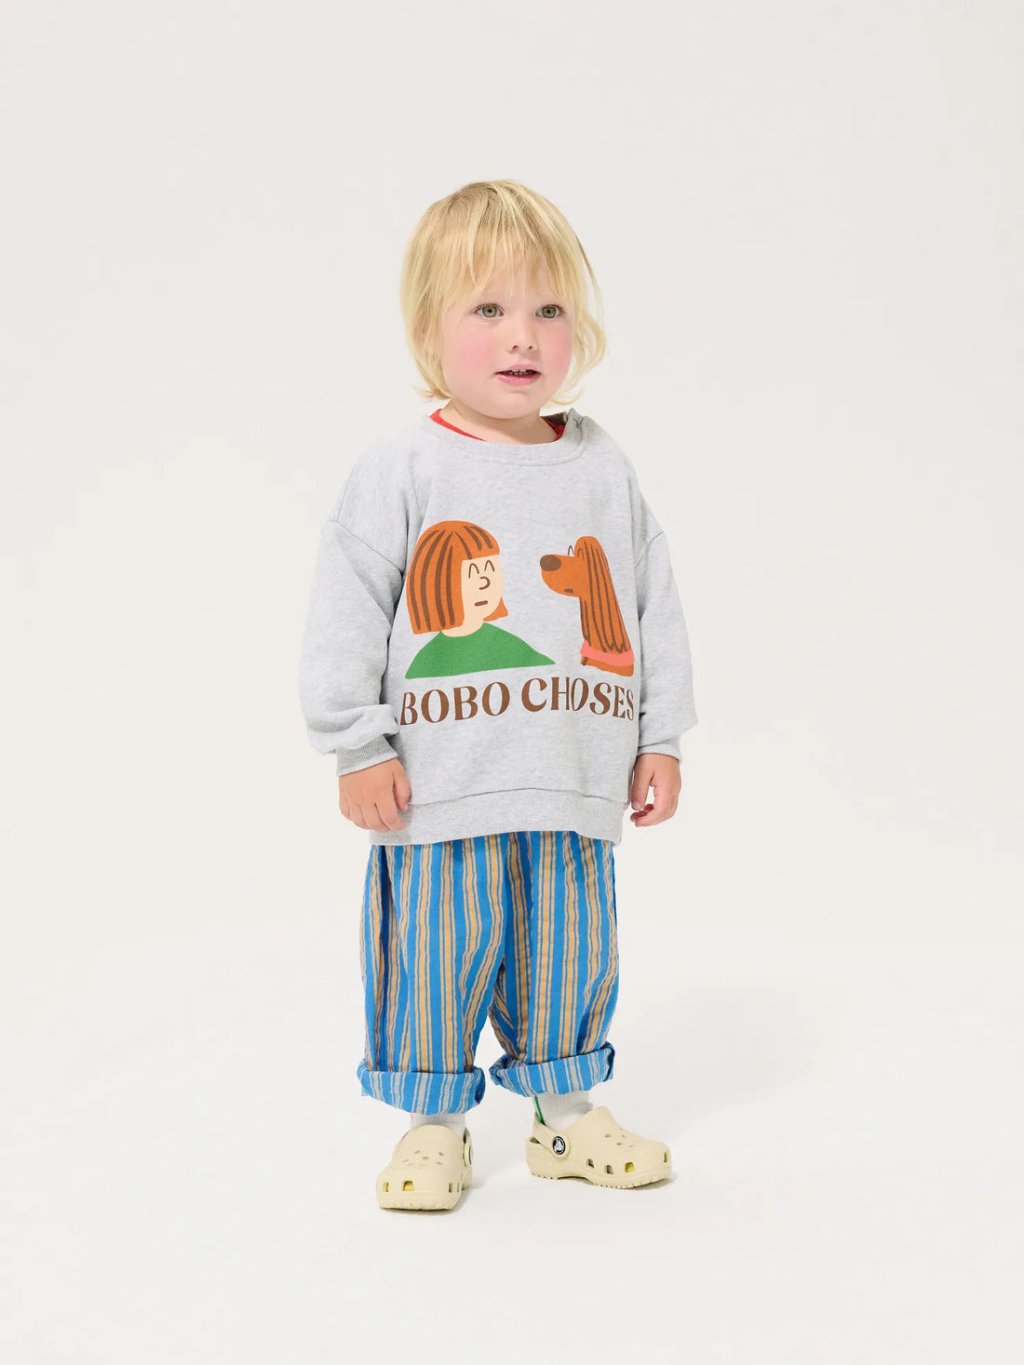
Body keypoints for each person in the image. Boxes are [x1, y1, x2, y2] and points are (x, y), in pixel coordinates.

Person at [298, 179, 697, 1211]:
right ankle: (433, 1129)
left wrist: (660, 736)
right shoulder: (404, 465)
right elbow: (346, 610)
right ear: (429, 327)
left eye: (547, 309)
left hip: (571, 782)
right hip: (439, 791)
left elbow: (650, 602)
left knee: (570, 953)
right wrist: (357, 743)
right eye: (488, 308)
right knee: (434, 960)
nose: (522, 335)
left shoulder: (600, 464)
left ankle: (564, 1117)